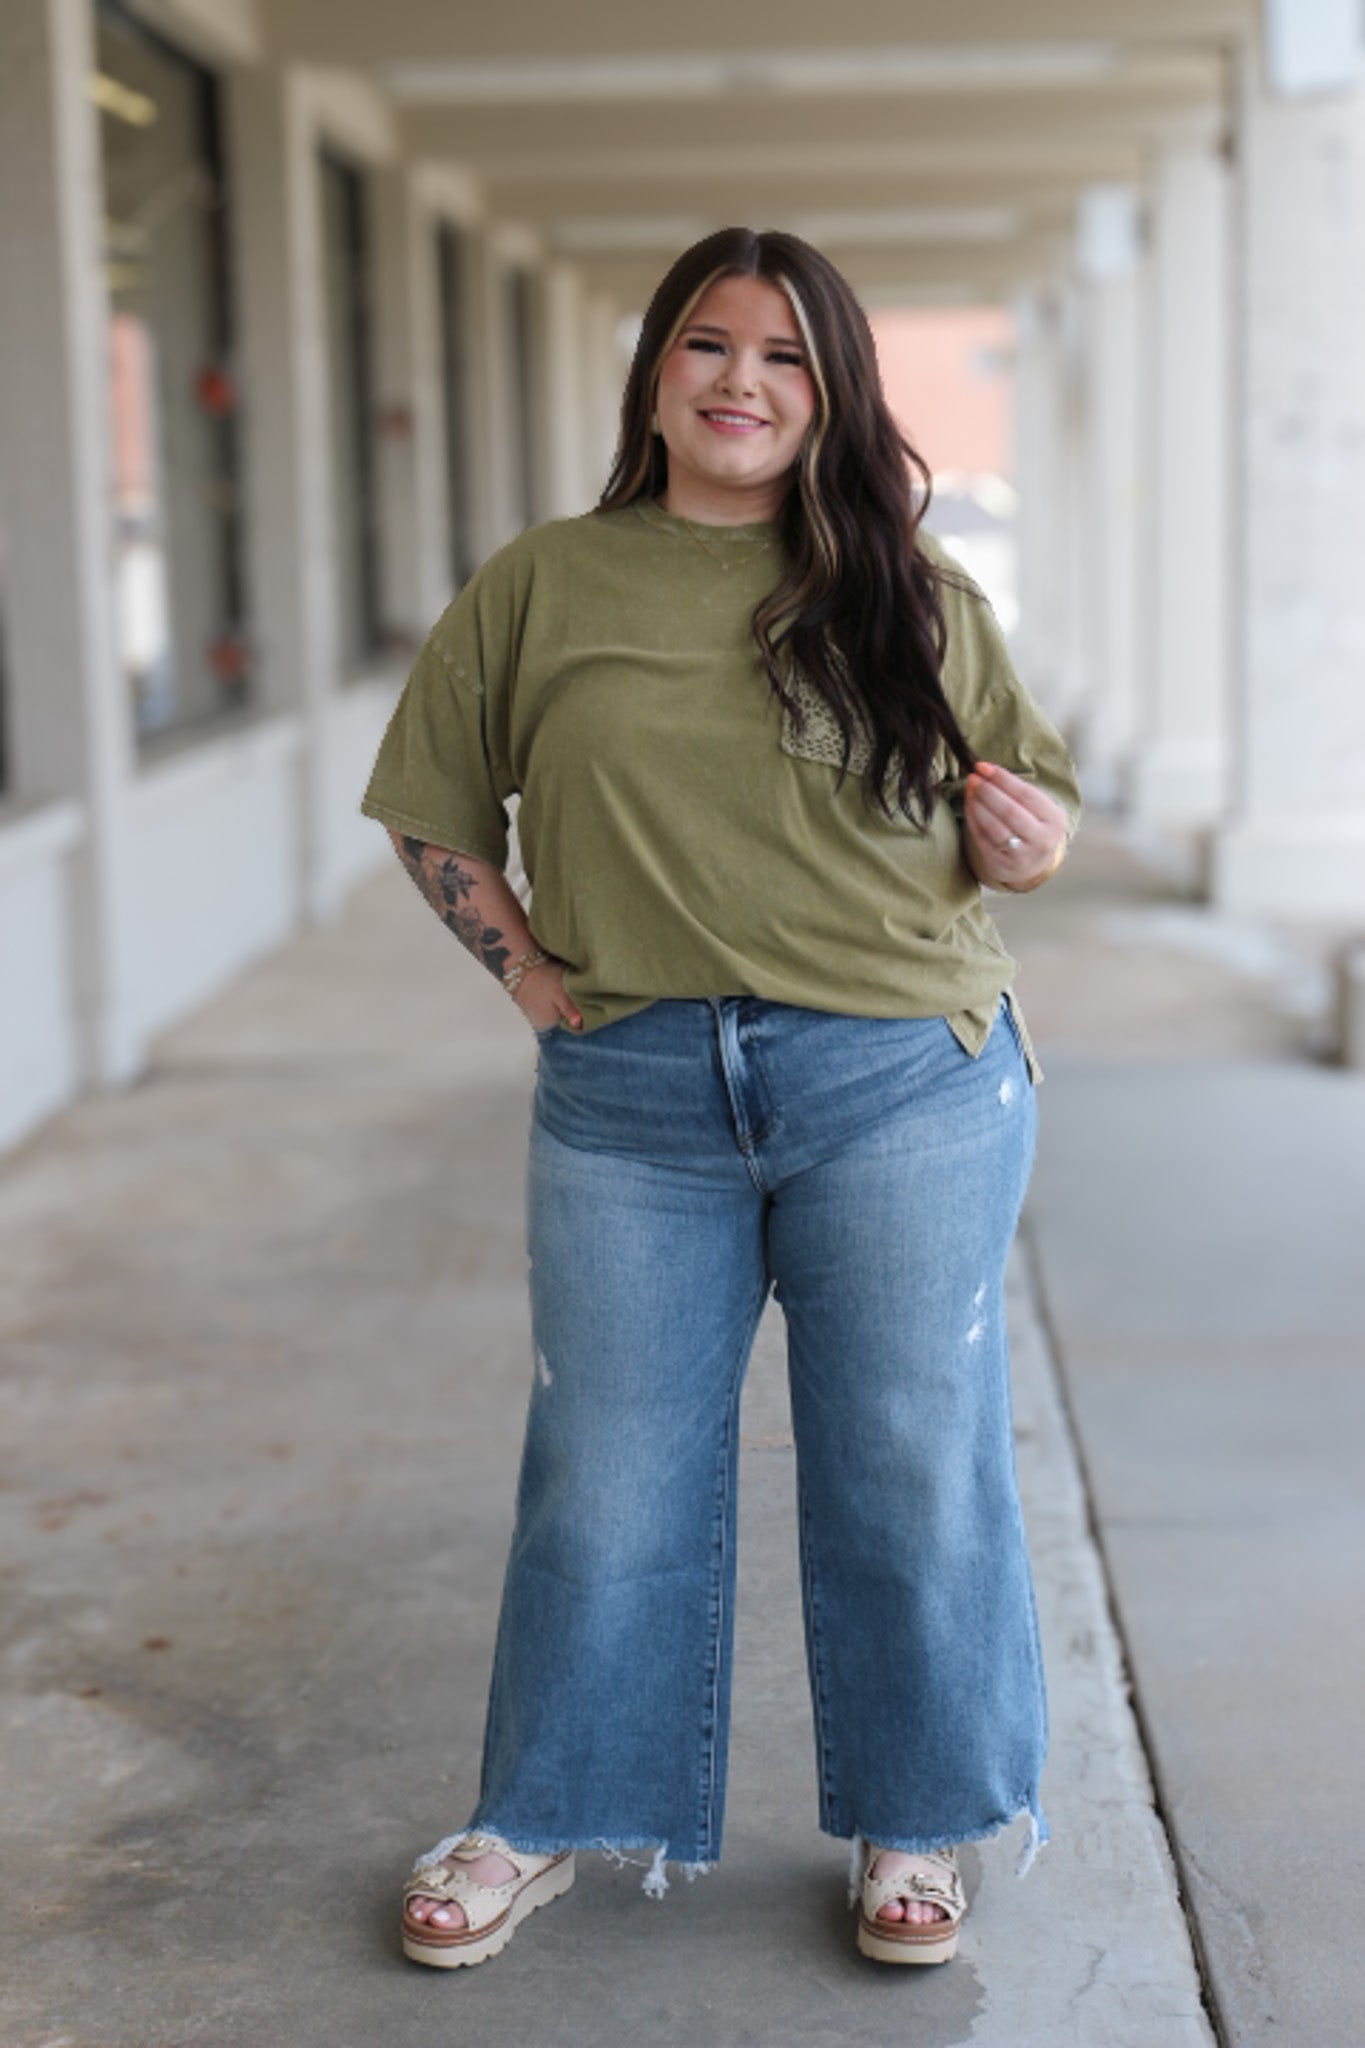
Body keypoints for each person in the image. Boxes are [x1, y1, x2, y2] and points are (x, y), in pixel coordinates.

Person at [359, 225, 1080, 1971]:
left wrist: (1030, 843)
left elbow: (1031, 810)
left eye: (783, 355)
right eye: (707, 343)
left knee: (905, 1460)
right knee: (604, 1473)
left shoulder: (911, 589)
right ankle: (543, 1814)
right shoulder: (546, 580)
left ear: (831, 394)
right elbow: (435, 808)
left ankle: (918, 1821)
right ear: (657, 372)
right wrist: (530, 982)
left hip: (900, 1080)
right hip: (632, 1103)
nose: (740, 381)